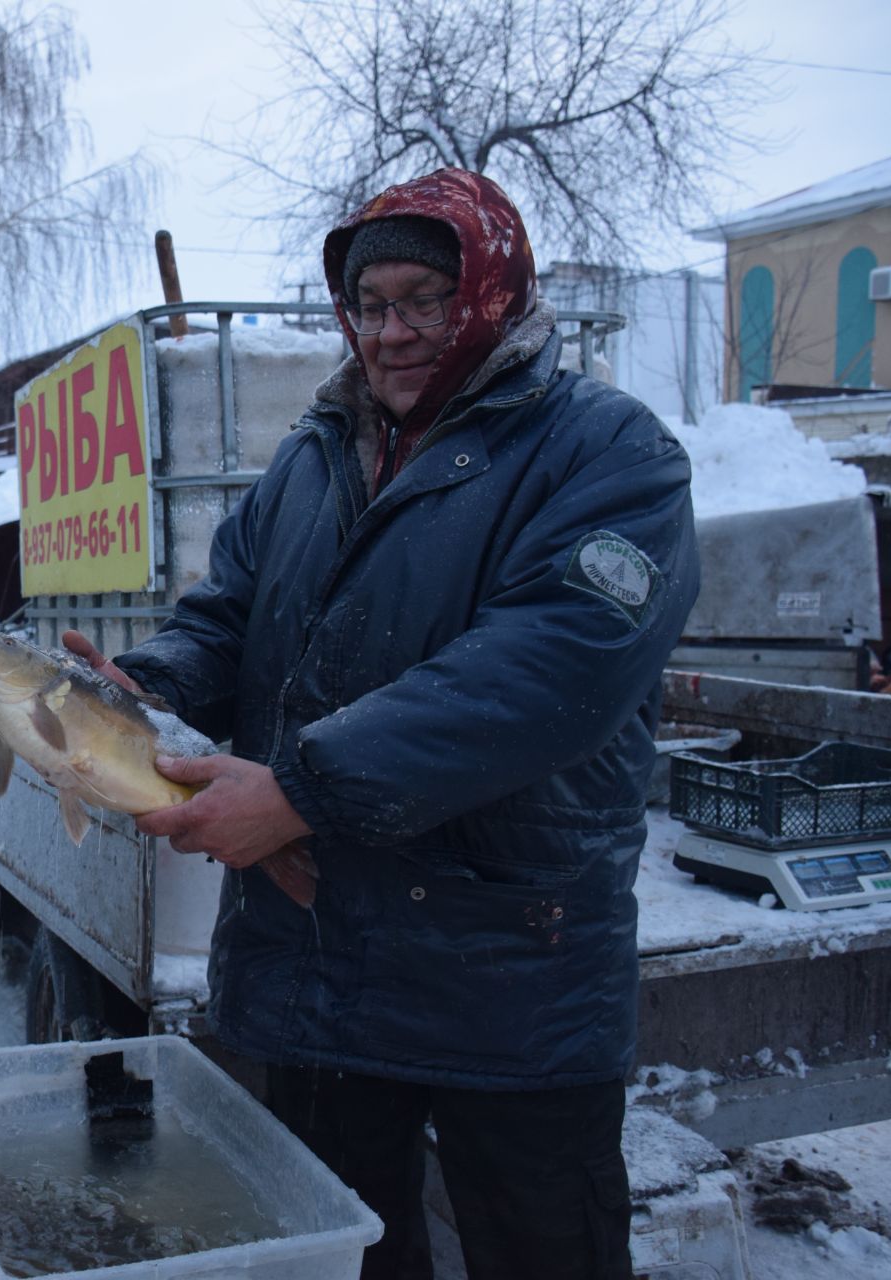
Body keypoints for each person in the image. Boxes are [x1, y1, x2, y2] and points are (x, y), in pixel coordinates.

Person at [67, 168, 701, 1279]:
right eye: (370, 305)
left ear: (494, 295)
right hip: (320, 970)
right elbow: (229, 618)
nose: (392, 332)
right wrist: (136, 687)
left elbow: (551, 667)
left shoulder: (606, 451)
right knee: (343, 1261)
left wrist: (299, 791)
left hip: (511, 979)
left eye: (425, 299)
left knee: (543, 1254)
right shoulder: (316, 456)